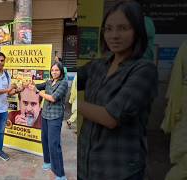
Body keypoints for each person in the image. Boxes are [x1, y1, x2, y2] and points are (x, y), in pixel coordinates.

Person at [77, 1, 158, 180]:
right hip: (87, 166)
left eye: (123, 28)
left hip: (119, 170)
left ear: (137, 31)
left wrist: (72, 102)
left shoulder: (144, 70)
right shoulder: (98, 65)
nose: (114, 35)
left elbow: (110, 117)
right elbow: (71, 78)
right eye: (109, 29)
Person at [28, 62, 68, 180]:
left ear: (61, 71)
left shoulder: (63, 83)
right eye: (52, 70)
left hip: (55, 116)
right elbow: (38, 86)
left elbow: (53, 98)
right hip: (45, 115)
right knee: (44, 140)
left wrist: (37, 91)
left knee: (54, 144)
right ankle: (48, 162)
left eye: (56, 70)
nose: (54, 72)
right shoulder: (49, 82)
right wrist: (30, 83)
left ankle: (60, 174)